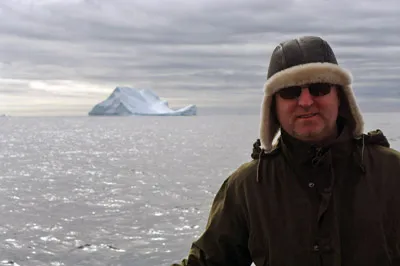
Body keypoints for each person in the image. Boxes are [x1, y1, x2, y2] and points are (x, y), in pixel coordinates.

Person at [171, 36, 400, 265]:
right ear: (274, 105)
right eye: (290, 92)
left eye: (319, 87)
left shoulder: (392, 172)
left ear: (339, 96)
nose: (306, 101)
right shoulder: (249, 186)